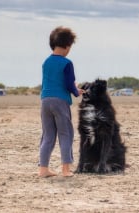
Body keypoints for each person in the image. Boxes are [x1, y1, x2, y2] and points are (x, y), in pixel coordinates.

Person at [38, 26, 84, 177]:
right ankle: (66, 169)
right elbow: (69, 84)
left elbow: (47, 82)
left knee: (48, 135)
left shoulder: (46, 62)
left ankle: (43, 169)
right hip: (60, 102)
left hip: (45, 100)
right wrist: (77, 91)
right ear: (67, 46)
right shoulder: (66, 63)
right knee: (66, 134)